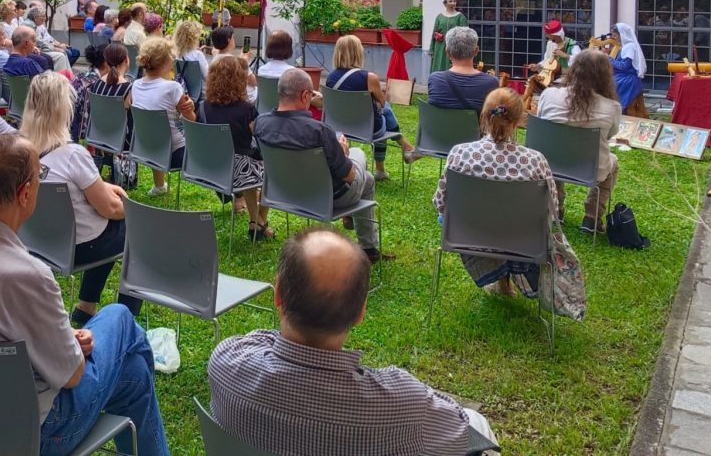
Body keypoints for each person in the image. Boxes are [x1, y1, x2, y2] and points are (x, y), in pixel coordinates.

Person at [0, 133, 169, 456]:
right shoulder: (28, 275)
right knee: (119, 317)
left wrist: (62, 338)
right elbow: (74, 374)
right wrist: (69, 347)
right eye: (39, 177)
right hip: (28, 435)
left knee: (133, 375)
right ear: (26, 193)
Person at [209, 227, 496, 456]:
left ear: (278, 296)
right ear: (361, 312)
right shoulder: (404, 403)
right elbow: (461, 431)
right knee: (476, 422)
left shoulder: (226, 360)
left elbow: (263, 340)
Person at [434, 89, 581, 311]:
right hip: (524, 240)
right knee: (512, 221)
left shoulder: (459, 154)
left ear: (483, 116)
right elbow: (552, 211)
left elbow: (440, 203)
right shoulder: (536, 161)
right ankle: (505, 280)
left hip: (468, 235)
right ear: (519, 120)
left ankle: (499, 280)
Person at [20, 73, 142, 325]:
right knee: (136, 230)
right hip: (79, 248)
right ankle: (123, 319)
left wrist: (104, 187)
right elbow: (109, 209)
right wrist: (127, 208)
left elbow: (78, 186)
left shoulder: (17, 149)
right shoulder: (73, 154)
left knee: (106, 227)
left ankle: (86, 306)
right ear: (63, 109)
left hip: (36, 243)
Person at [256, 69, 390, 262]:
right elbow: (350, 176)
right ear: (305, 95)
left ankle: (366, 243)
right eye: (311, 94)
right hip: (326, 198)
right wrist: (343, 151)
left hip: (283, 194)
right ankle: (368, 247)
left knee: (367, 179)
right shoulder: (319, 131)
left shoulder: (261, 124)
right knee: (359, 157)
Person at [536, 50, 622, 233]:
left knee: (555, 150)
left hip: (551, 163)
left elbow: (542, 123)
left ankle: (556, 208)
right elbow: (609, 135)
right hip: (589, 168)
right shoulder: (612, 107)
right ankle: (592, 217)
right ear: (605, 76)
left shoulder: (549, 95)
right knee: (612, 164)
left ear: (573, 70)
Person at [327, 34, 415, 180]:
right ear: (358, 52)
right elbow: (381, 102)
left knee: (383, 113)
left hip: (340, 127)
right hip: (367, 129)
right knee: (385, 111)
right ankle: (395, 156)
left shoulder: (330, 77)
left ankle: (404, 148)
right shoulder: (369, 77)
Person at [199, 55, 269, 239]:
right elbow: (261, 137)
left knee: (246, 160)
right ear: (240, 79)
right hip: (240, 172)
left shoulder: (203, 107)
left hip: (208, 168)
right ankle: (259, 221)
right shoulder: (246, 110)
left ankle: (256, 222)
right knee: (270, 165)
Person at [130, 38, 194, 196]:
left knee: (157, 130)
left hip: (146, 150)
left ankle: (159, 186)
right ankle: (237, 200)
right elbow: (191, 120)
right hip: (175, 155)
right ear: (166, 61)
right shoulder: (172, 88)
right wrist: (190, 107)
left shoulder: (136, 85)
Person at [425, 26, 501, 115]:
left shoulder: (435, 79)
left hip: (439, 129)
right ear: (476, 51)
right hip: (475, 129)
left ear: (447, 51)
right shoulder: (491, 82)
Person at [90, 43, 136, 186]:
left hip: (98, 136)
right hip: (122, 141)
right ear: (126, 60)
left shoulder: (96, 84)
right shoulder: (128, 88)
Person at [610, 22, 648, 115]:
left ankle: (617, 111)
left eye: (615, 35)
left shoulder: (629, 47)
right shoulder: (625, 46)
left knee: (607, 85)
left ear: (622, 35)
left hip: (628, 79)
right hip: (622, 76)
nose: (613, 38)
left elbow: (624, 66)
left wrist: (609, 59)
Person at [70, 44, 105, 143]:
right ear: (106, 63)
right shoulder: (95, 83)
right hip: (81, 135)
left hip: (69, 127)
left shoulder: (81, 76)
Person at [210, 26, 257, 100]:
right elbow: (253, 82)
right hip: (241, 98)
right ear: (229, 40)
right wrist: (244, 62)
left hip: (221, 97)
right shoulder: (238, 62)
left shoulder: (215, 60)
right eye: (233, 38)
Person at [26, 5, 78, 71]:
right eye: (42, 16)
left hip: (39, 49)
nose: (45, 18)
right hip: (34, 51)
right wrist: (54, 48)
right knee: (61, 56)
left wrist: (58, 45)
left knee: (64, 53)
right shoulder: (29, 25)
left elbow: (47, 39)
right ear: (35, 17)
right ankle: (59, 79)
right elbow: (39, 41)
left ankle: (68, 77)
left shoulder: (33, 24)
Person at [429, 0, 468, 74]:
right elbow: (434, 32)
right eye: (450, 1)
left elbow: (464, 34)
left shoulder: (460, 17)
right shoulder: (439, 17)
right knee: (438, 68)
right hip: (439, 47)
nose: (453, 3)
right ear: (445, 3)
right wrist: (432, 49)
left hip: (453, 47)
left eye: (454, 1)